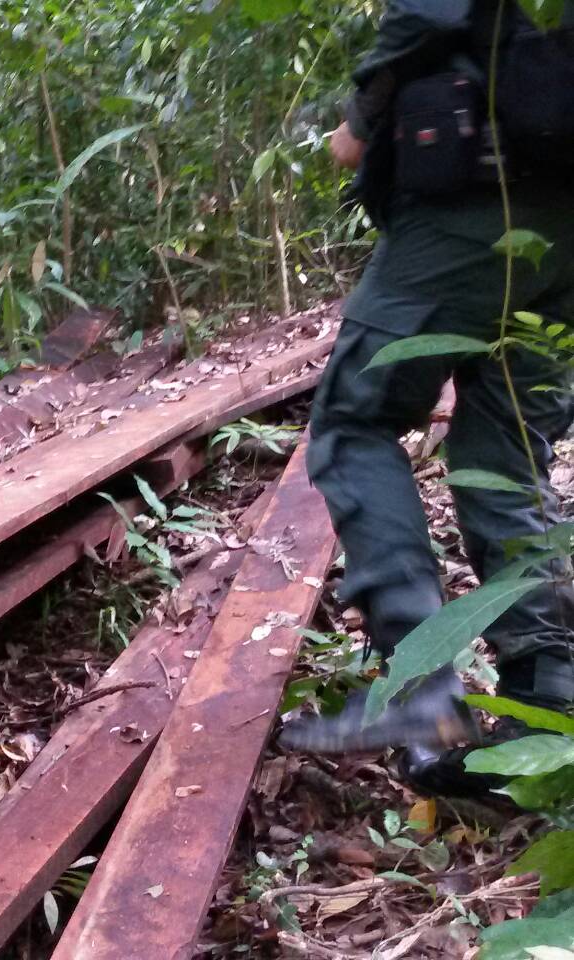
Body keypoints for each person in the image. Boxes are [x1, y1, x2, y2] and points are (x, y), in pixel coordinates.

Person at [279, 0, 574, 796]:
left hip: (474, 210)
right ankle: (546, 698)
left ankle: (421, 692)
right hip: (566, 235)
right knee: (507, 450)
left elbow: (418, 32)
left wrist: (360, 124)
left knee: (355, 423)